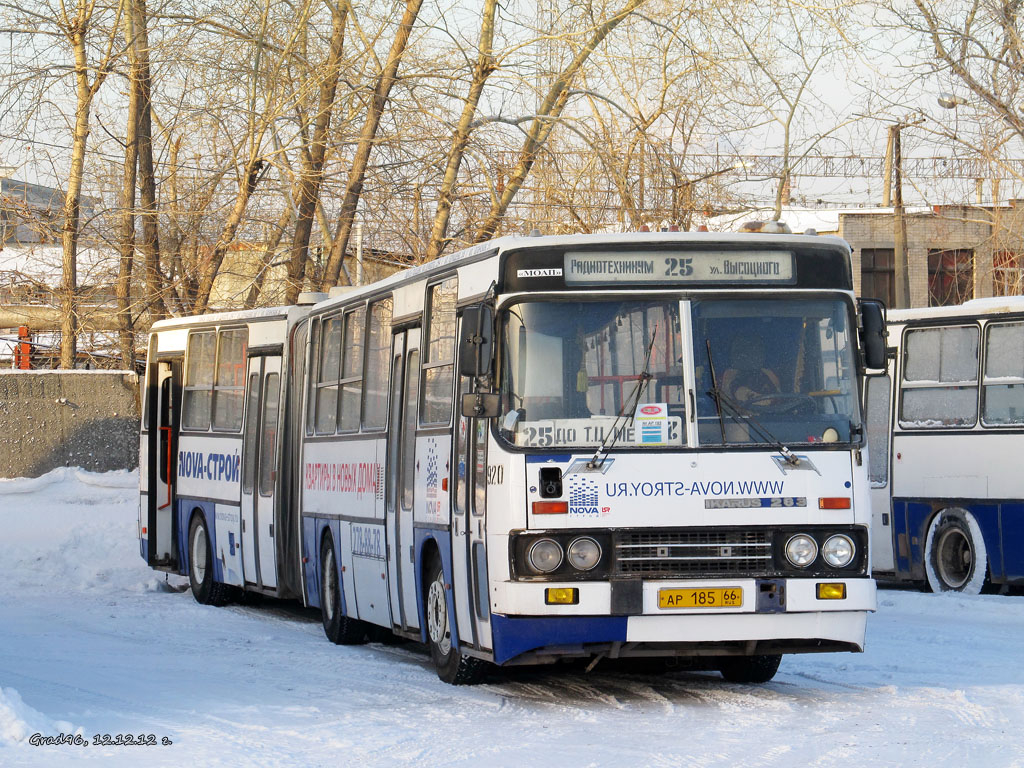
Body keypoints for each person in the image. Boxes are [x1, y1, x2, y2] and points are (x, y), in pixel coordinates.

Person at [719, 333, 781, 406]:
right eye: (746, 351)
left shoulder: (769, 374)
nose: (751, 355)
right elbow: (742, 394)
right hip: (740, 416)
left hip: (772, 416)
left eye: (757, 351)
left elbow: (780, 398)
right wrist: (770, 401)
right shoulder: (729, 377)